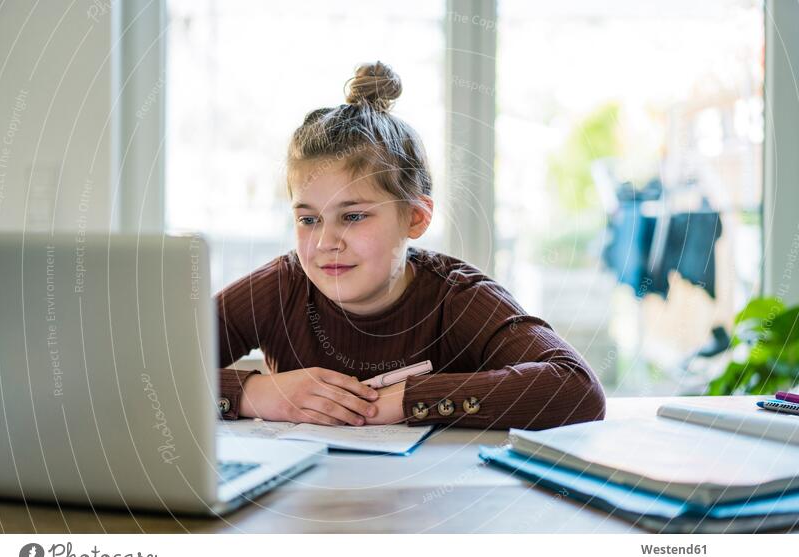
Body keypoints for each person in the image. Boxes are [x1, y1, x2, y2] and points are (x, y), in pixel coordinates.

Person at [215, 61, 605, 430]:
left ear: (415, 218)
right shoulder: (280, 288)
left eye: (353, 216)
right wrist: (257, 392)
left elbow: (576, 388)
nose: (325, 242)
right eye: (308, 219)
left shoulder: (457, 298)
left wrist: (404, 400)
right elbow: (154, 366)